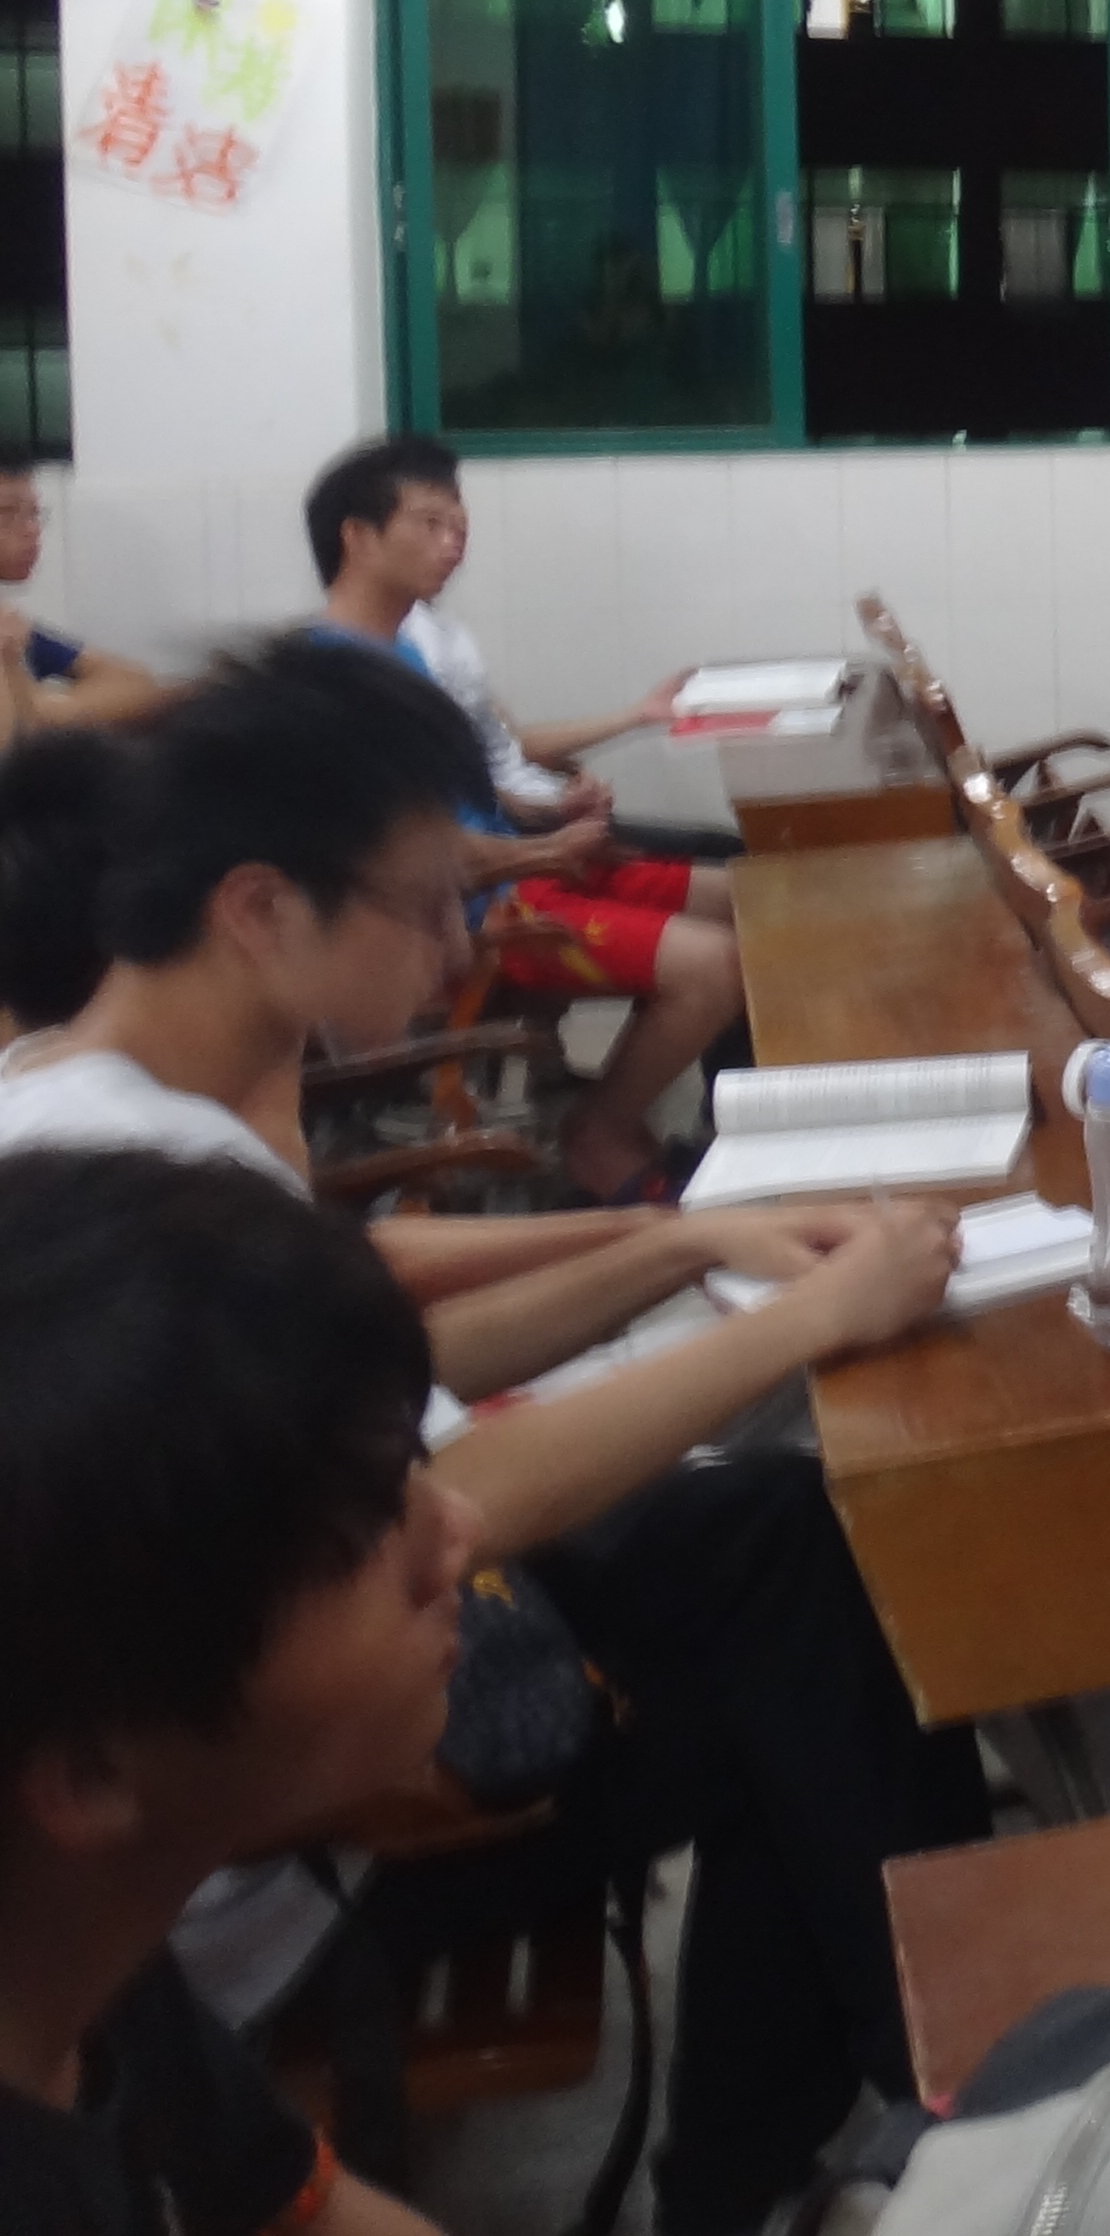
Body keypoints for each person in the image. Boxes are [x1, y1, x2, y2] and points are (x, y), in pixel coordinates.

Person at [0, 640, 984, 2236]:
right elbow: (440, 1501)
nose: (461, 945)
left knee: (787, 1576)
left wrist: (679, 1244)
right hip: (283, 1844)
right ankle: (931, 2109)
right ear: (260, 909)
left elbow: (381, 1363)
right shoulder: (129, 1176)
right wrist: (800, 1320)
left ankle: (852, 2134)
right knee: (801, 1626)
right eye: (428, 903)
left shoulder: (103, 1106)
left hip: (290, 1726)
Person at [0, 1146, 472, 2236]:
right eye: (368, 1530)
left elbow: (303, 2208)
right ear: (89, 1771)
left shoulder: (80, 1953)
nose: (458, 1532)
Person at [301, 433, 743, 1200]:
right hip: (469, 914)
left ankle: (737, 1123)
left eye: (459, 528)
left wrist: (551, 819)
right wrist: (541, 854)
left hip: (512, 873)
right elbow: (397, 853)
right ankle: (600, 1134)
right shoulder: (339, 675)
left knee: (750, 899)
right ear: (358, 536)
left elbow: (476, 792)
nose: (453, 545)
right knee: (714, 965)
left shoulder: (405, 655)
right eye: (430, 524)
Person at [0, 447, 163, 735]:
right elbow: (21, 731)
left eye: (34, 514)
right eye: (7, 513)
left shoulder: (10, 625)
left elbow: (136, 684)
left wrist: (48, 708)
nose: (31, 530)